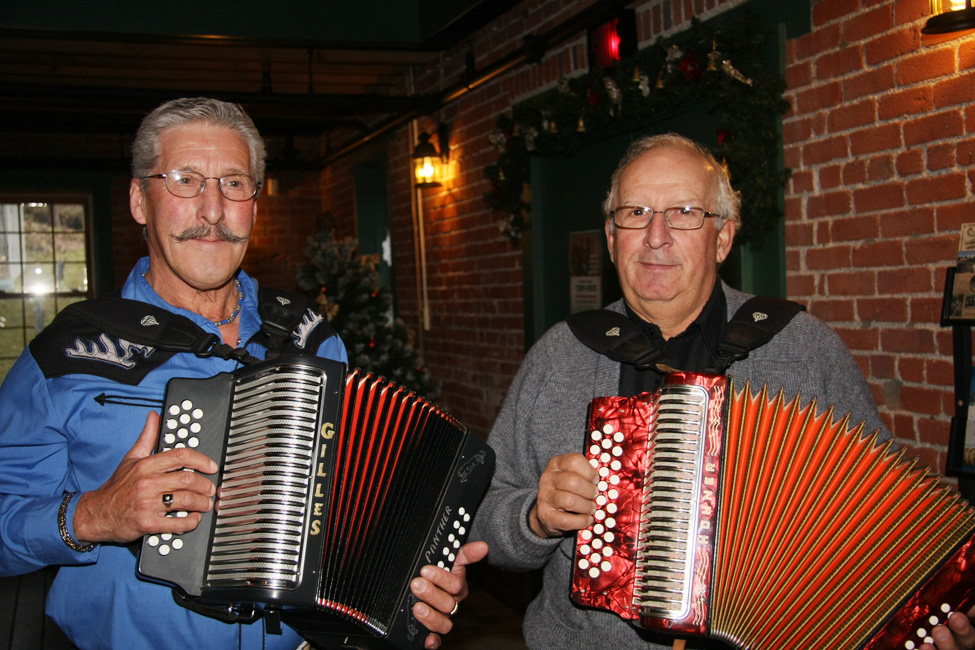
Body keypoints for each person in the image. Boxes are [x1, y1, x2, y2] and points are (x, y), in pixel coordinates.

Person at [0, 97, 487, 650]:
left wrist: (411, 584)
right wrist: (92, 514)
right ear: (140, 200)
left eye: (234, 184)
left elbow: (350, 514)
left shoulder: (313, 339)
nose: (212, 209)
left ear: (254, 204)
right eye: (185, 180)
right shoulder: (68, 352)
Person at [470, 133, 975, 650]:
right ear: (610, 234)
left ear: (723, 238)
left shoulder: (801, 347)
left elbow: (884, 519)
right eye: (636, 213)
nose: (656, 236)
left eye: (685, 212)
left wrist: (920, 621)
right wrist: (536, 517)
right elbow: (481, 516)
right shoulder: (561, 355)